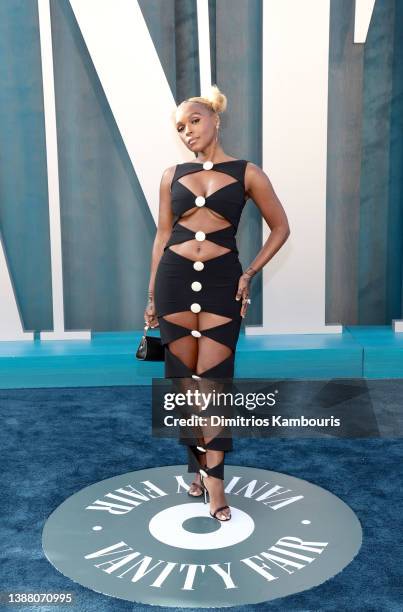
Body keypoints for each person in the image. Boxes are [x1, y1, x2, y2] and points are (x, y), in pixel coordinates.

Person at [144, 84, 290, 521]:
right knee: (186, 386)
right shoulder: (171, 174)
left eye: (194, 120)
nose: (187, 131)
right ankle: (198, 466)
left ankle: (215, 485)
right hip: (173, 281)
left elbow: (281, 228)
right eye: (180, 127)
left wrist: (249, 273)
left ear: (215, 120)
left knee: (214, 383)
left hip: (223, 284)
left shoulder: (248, 172)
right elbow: (162, 236)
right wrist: (151, 294)